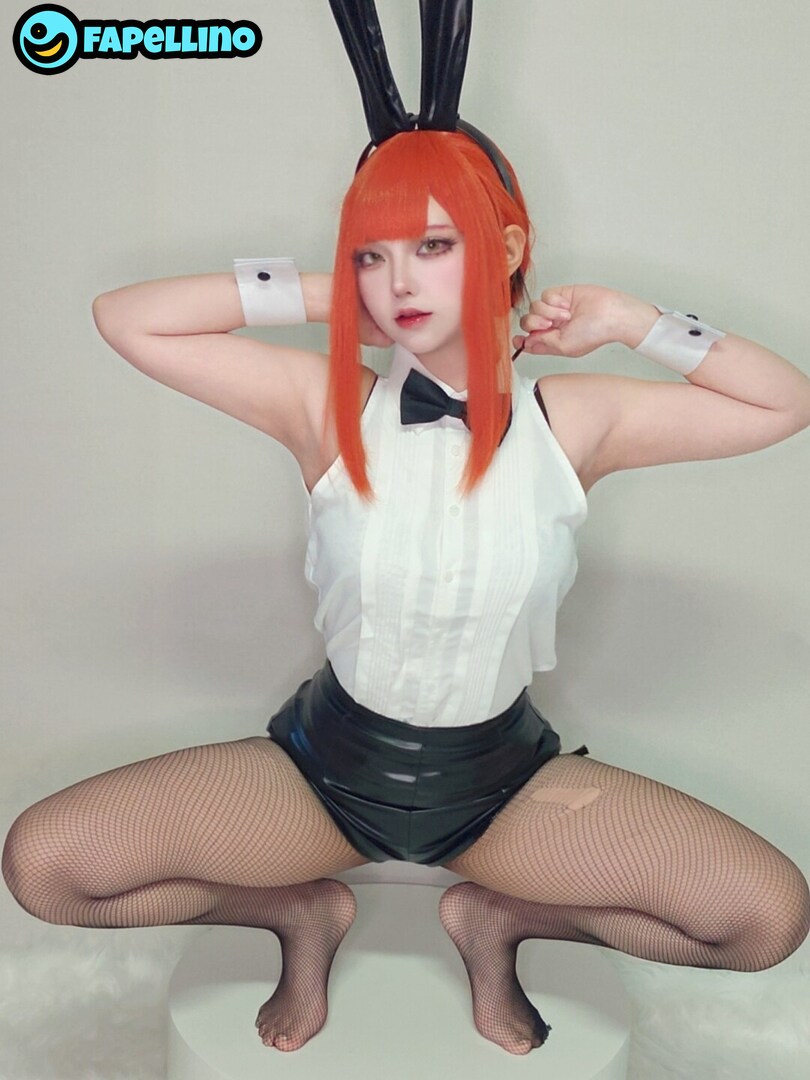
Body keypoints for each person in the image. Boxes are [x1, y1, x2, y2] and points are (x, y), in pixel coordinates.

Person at [3, 127, 810, 1060]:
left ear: (506, 248)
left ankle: (499, 920)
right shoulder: (328, 405)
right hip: (323, 777)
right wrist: (330, 298)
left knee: (765, 921)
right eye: (373, 255)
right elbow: (125, 317)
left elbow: (783, 403)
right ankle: (298, 912)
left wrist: (633, 321)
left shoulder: (574, 421)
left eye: (433, 246)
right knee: (44, 868)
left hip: (500, 787)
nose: (401, 282)